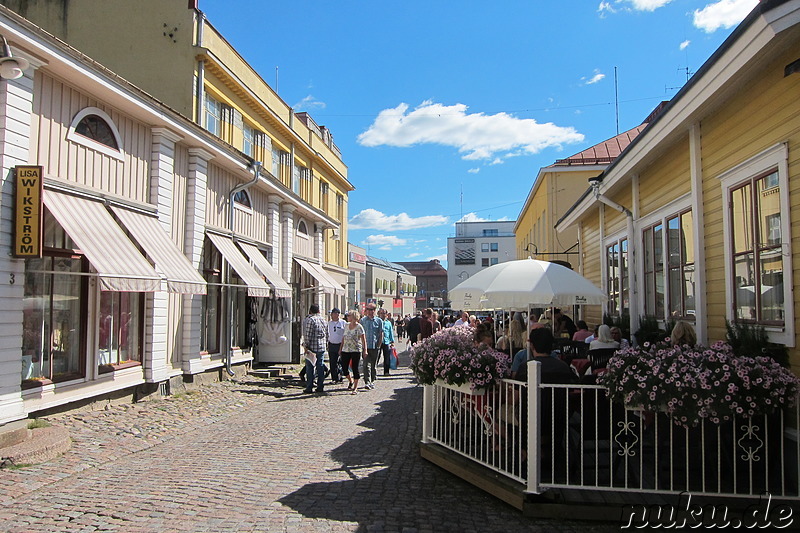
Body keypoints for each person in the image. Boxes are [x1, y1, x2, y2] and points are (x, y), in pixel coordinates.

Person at [301, 304, 328, 393]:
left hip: (312, 347)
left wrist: (305, 345)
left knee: (310, 367)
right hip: (321, 346)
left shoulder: (310, 320)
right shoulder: (323, 319)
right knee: (320, 366)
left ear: (310, 311)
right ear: (319, 311)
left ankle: (309, 387)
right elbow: (327, 334)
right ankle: (320, 386)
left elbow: (307, 334)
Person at [339, 310, 367, 395]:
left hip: (355, 350)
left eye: (349, 315)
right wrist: (340, 348)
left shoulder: (359, 327)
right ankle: (350, 380)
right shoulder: (346, 325)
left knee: (355, 368)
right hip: (346, 349)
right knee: (344, 368)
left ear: (354, 317)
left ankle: (355, 388)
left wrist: (365, 350)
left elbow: (363, 339)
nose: (347, 317)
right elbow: (343, 337)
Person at [360, 303, 383, 390]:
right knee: (366, 365)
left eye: (371, 309)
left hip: (375, 346)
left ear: (374, 310)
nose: (369, 311)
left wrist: (379, 345)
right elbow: (361, 334)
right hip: (365, 346)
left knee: (373, 365)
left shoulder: (379, 321)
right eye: (368, 309)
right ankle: (367, 381)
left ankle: (372, 381)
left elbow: (381, 333)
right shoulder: (363, 321)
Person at [327, 308, 346, 384]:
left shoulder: (343, 323)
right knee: (332, 362)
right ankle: (334, 378)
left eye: (337, 313)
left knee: (341, 362)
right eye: (334, 313)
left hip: (340, 344)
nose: (335, 315)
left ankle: (341, 376)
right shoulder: (329, 323)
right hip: (332, 344)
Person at [378, 308, 395, 376]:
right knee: (377, 357)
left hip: (386, 341)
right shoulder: (377, 321)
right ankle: (374, 371)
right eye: (381, 313)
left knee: (387, 357)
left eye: (384, 313)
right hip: (378, 341)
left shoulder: (388, 323)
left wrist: (392, 341)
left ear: (386, 314)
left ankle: (386, 371)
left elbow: (391, 332)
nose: (383, 315)